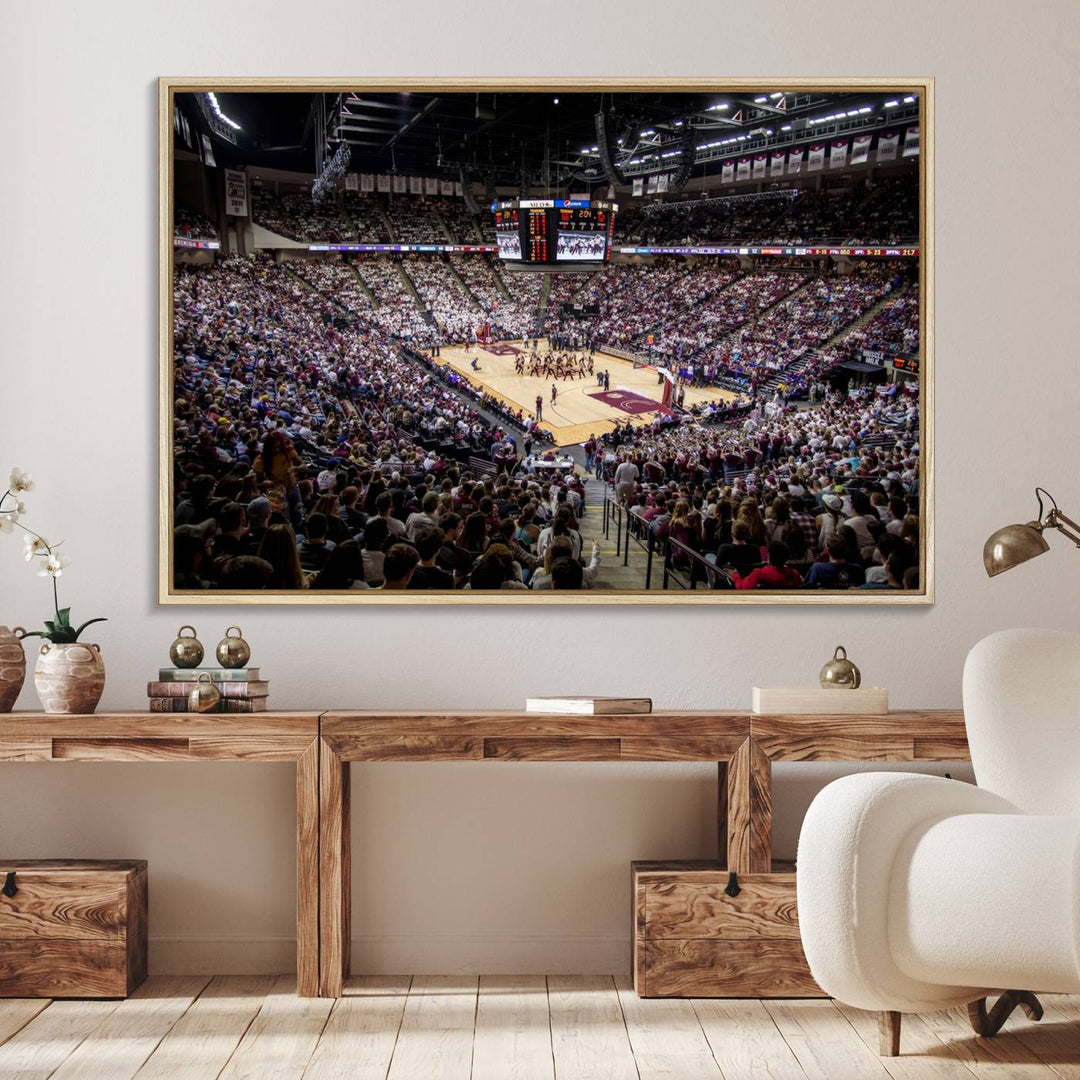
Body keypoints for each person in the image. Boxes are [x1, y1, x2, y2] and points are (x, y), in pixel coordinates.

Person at [732, 542, 804, 590]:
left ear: (769, 557)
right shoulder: (795, 575)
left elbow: (743, 587)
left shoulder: (759, 574)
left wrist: (735, 575)